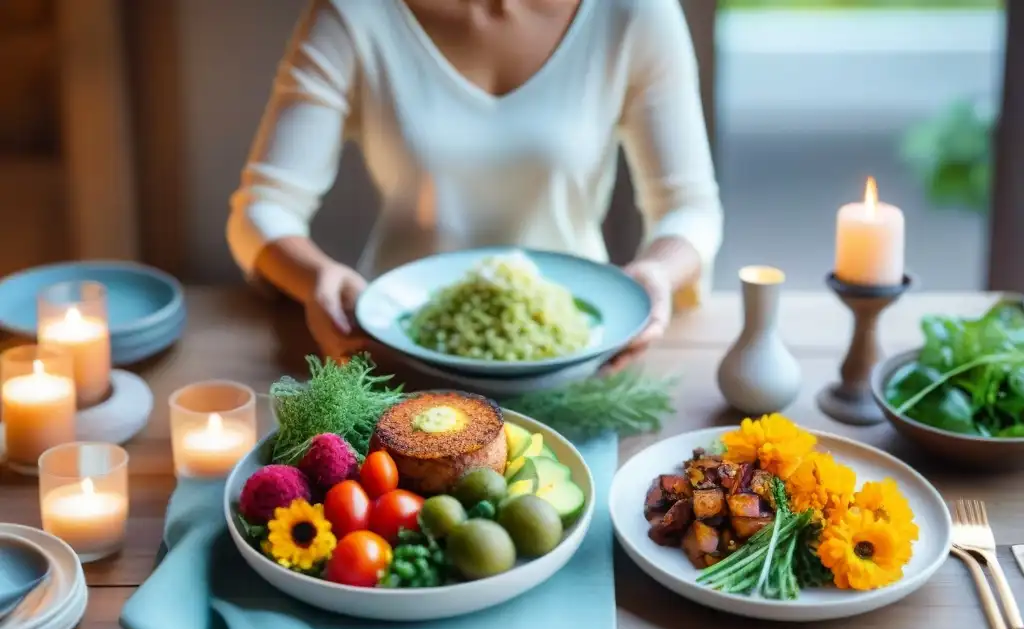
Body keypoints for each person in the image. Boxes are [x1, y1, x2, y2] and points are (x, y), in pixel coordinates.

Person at [227, 0, 723, 365]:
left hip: (578, 357)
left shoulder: (635, 13)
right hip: (395, 348)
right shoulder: (354, 13)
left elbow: (692, 207)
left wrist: (657, 272)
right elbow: (262, 209)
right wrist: (317, 279)